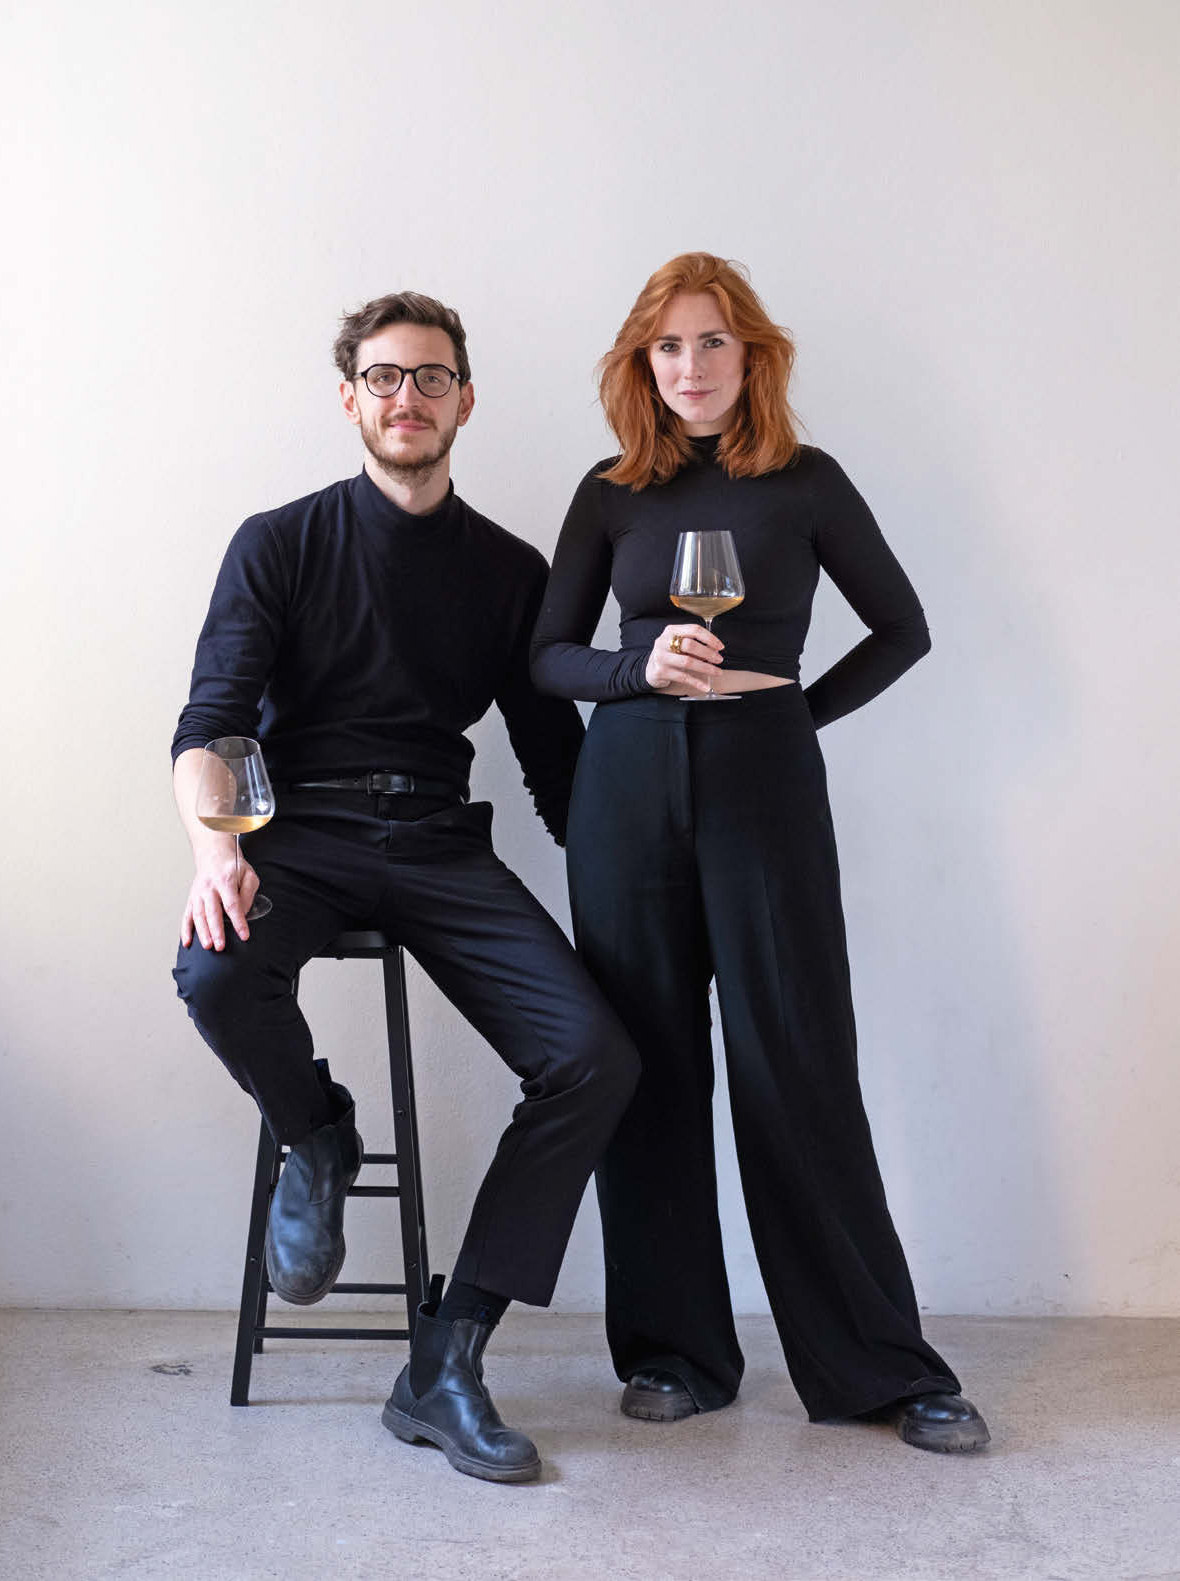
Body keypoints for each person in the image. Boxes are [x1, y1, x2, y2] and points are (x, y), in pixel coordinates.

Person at [171, 291, 639, 1484]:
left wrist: (637, 881)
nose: (407, 398)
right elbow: (212, 722)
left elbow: (554, 764)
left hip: (437, 840)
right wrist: (217, 850)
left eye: (431, 378)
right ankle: (317, 1134)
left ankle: (448, 1356)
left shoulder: (510, 571)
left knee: (595, 1057)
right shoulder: (279, 542)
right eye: (383, 377)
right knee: (212, 970)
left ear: (464, 400)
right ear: (350, 399)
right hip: (299, 831)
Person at [530, 253, 988, 1454]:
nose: (690, 367)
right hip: (624, 798)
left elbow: (902, 629)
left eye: (713, 342)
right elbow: (546, 657)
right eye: (668, 346)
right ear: (642, 364)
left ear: (753, 355)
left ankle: (879, 1367)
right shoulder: (610, 492)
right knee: (651, 1071)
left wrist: (788, 711)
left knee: (797, 1061)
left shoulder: (805, 481)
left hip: (764, 795)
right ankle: (675, 1355)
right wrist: (634, 669)